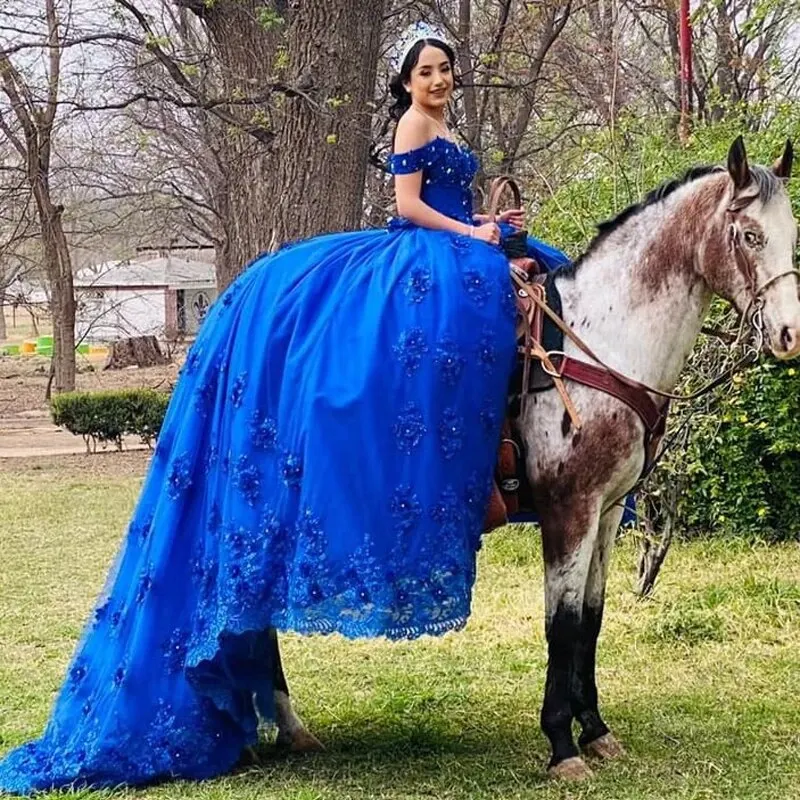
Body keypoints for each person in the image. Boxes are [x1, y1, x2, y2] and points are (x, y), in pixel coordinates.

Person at [0, 22, 569, 794]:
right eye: (426, 71)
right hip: (423, 245)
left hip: (461, 240)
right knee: (441, 323)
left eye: (445, 69)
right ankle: (454, 471)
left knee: (537, 282)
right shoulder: (411, 124)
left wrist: (498, 228)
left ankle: (506, 462)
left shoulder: (449, 126)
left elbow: (456, 199)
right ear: (404, 82)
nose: (438, 80)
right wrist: (472, 229)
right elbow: (408, 206)